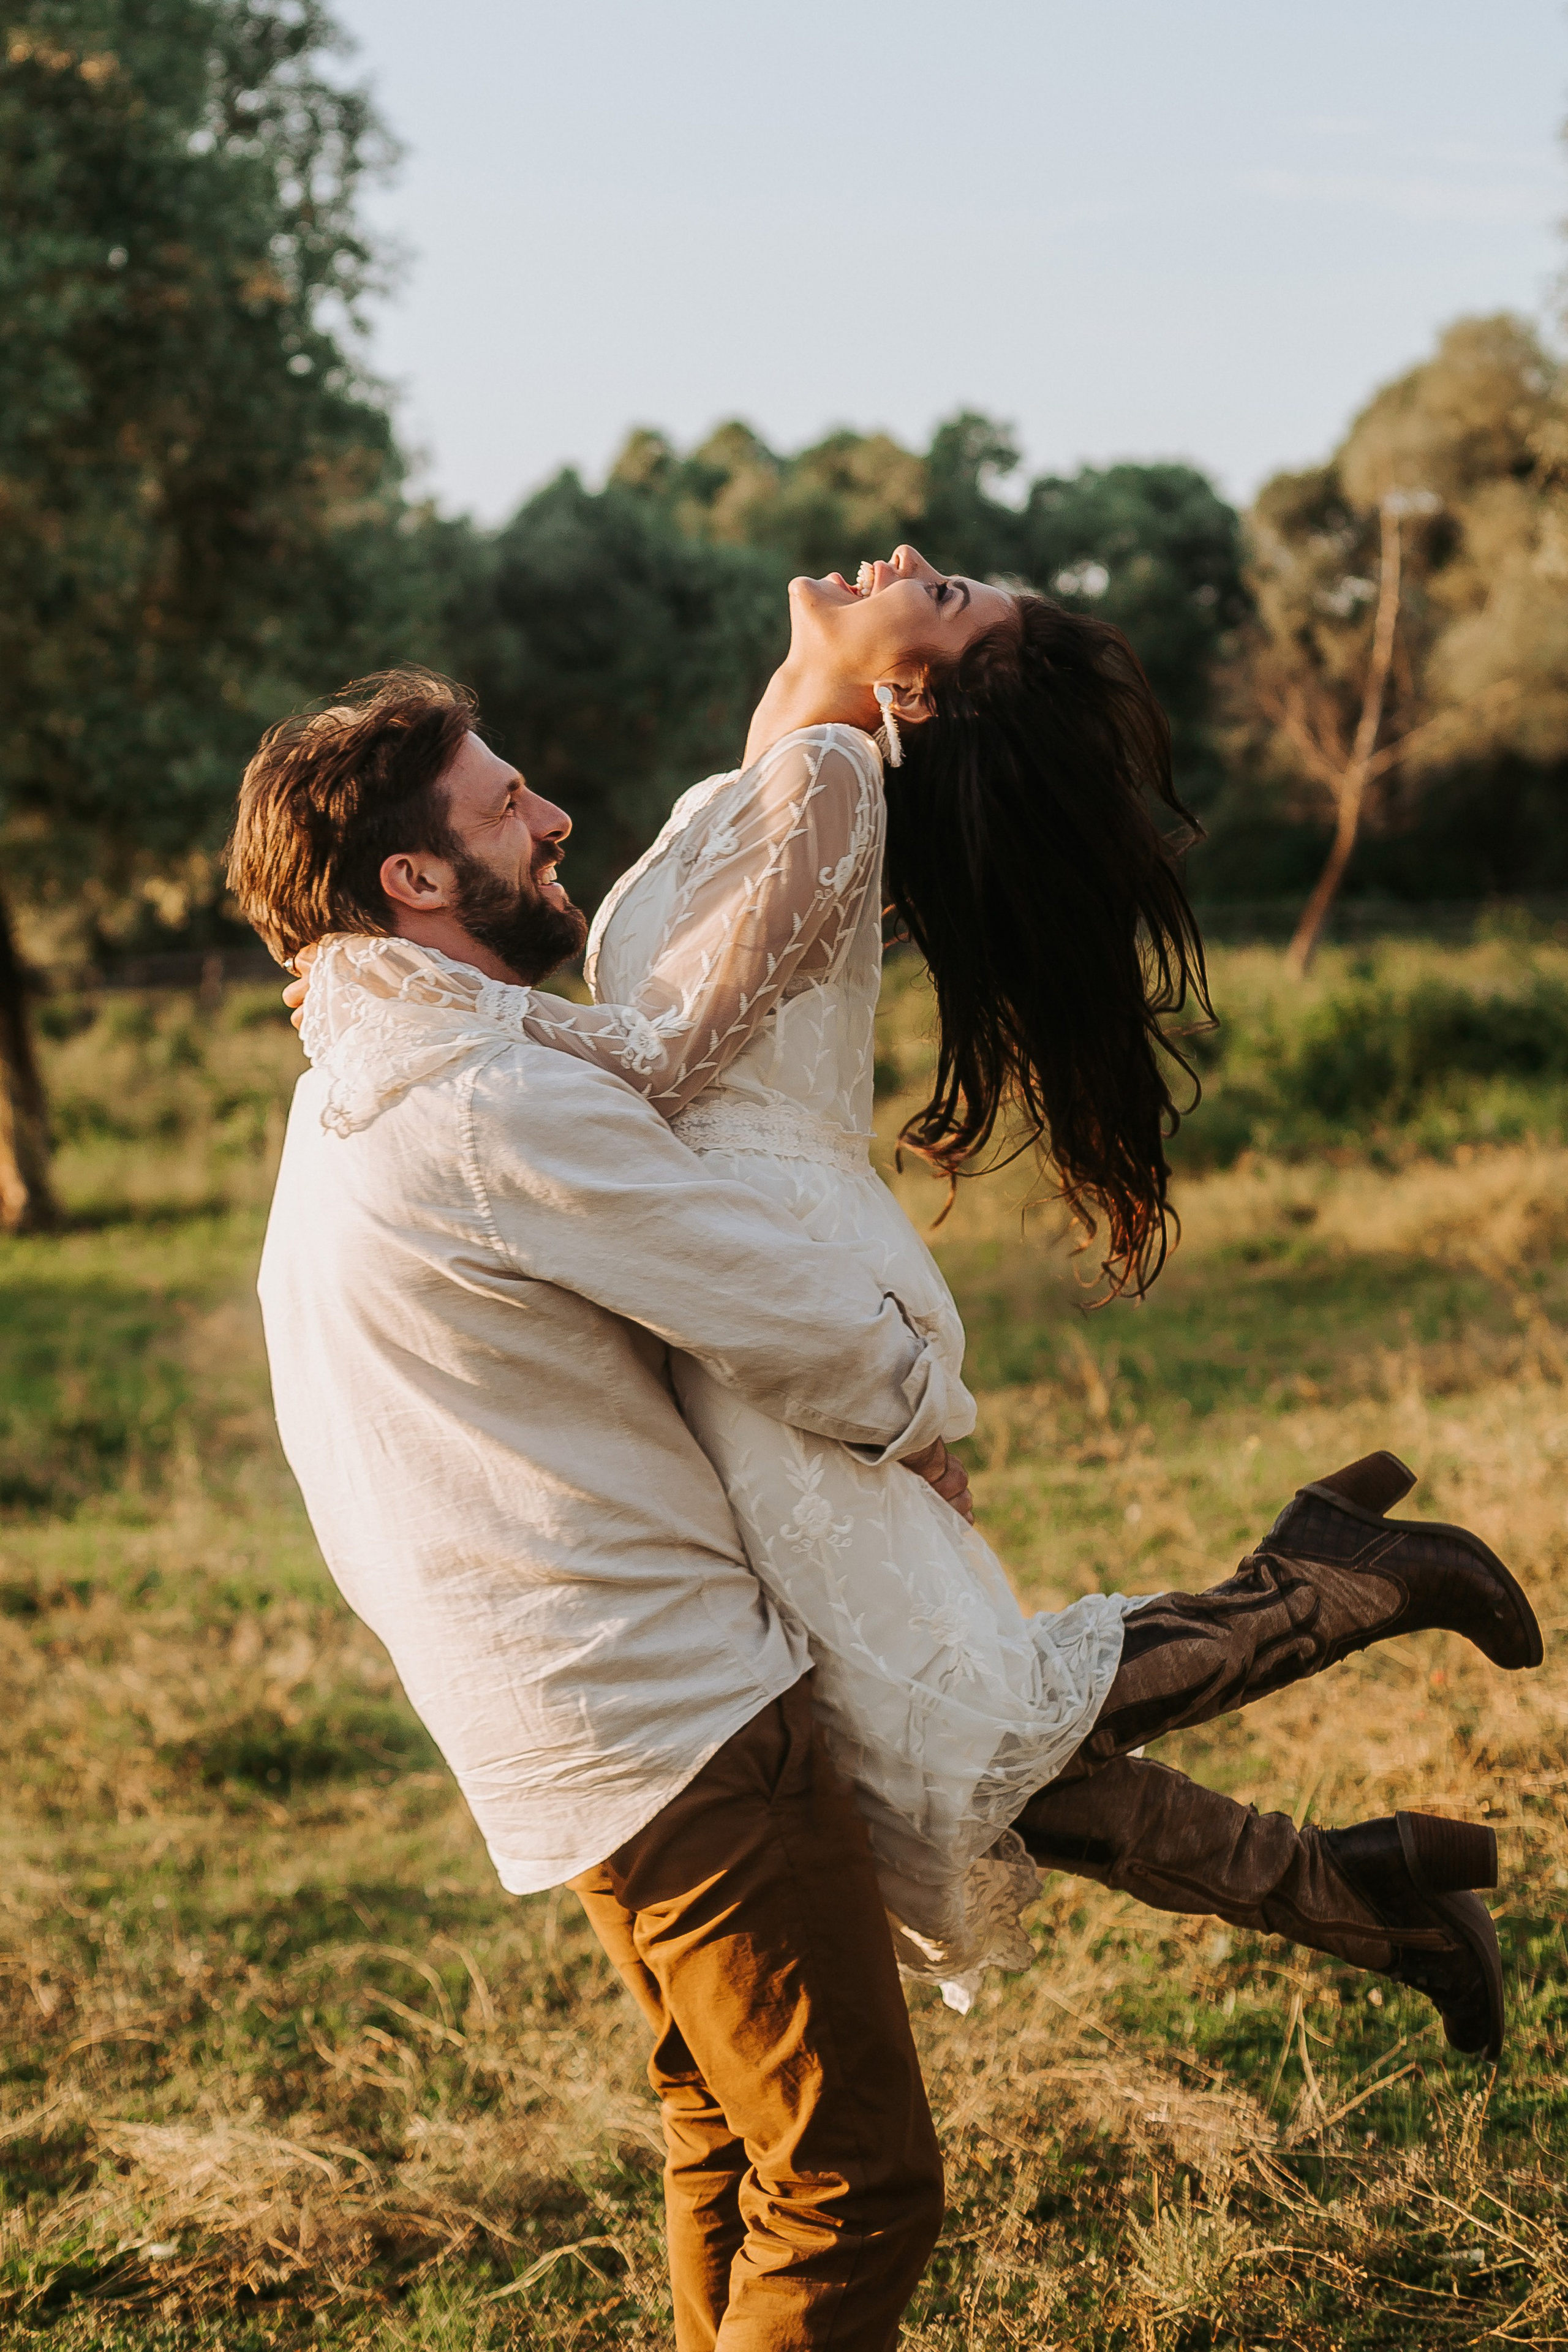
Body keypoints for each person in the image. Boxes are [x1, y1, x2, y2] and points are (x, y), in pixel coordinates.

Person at [282, 549, 1541, 2035]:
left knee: (945, 1717)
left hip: (761, 1266)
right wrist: (418, 1009)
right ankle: (1358, 1890)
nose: (900, 565)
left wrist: (395, 1001)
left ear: (907, 686)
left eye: (940, 598)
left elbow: (661, 1057)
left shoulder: (822, 777)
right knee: (903, 1740)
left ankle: (1336, 1589)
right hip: (701, 1266)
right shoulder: (768, 769)